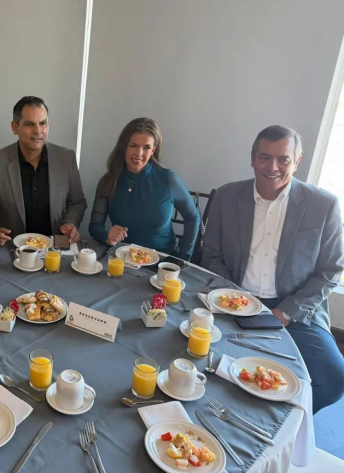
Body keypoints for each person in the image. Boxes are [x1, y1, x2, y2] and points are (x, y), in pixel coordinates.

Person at [202, 125, 344, 414]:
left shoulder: (323, 205)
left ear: (297, 161)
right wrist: (234, 299)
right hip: (234, 299)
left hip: (295, 309)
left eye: (283, 159)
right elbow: (212, 256)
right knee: (200, 360)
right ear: (252, 159)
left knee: (333, 379)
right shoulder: (227, 197)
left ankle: (277, 422)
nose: (273, 167)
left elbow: (331, 271)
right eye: (265, 157)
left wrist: (286, 312)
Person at [0, 96, 87, 246]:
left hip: (56, 246)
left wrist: (70, 223)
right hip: (12, 248)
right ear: (15, 127)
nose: (38, 131)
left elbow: (77, 202)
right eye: (29, 124)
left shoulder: (66, 158)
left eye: (43, 123)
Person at [88, 118, 200, 260]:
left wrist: (183, 257)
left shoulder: (168, 179)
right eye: (133, 145)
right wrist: (107, 236)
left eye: (146, 147)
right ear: (124, 146)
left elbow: (193, 217)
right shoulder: (108, 181)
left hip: (161, 262)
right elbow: (95, 226)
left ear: (153, 150)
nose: (139, 153)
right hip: (122, 259)